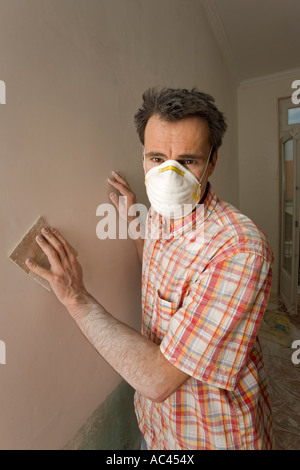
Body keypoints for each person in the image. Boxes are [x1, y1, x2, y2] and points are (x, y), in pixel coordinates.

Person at [25, 87, 274, 450]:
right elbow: (159, 265)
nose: (169, 177)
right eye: (157, 158)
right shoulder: (158, 213)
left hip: (211, 436)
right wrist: (132, 224)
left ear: (212, 161)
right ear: (143, 157)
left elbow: (159, 379)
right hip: (158, 429)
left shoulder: (239, 249)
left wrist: (77, 298)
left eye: (187, 161)